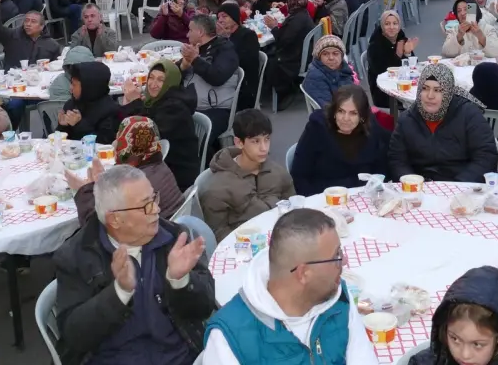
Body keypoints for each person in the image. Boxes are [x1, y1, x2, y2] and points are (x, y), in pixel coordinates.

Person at [52, 164, 214, 365]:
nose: (157, 211)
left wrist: (180, 281)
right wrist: (118, 293)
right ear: (115, 219)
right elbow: (74, 335)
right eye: (145, 206)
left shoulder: (172, 238)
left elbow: (204, 306)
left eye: (154, 199)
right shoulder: (77, 256)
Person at [200, 207, 392, 365]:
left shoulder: (336, 299)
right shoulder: (229, 336)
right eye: (336, 257)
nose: (344, 262)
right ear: (303, 274)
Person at [389, 64, 497, 183]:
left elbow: (486, 156)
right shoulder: (407, 119)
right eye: (425, 88)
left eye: (438, 90)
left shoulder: (469, 115)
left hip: (463, 189)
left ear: (448, 93)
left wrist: (458, 185)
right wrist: (412, 182)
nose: (430, 96)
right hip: (420, 189)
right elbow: (397, 160)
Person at [200, 109, 295, 242]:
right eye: (255, 141)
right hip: (245, 249)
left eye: (267, 139)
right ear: (239, 142)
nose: (264, 148)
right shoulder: (217, 187)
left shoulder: (278, 173)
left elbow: (293, 208)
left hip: (281, 240)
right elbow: (218, 233)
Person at [69, 116, 185, 223]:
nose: (116, 142)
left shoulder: (137, 183)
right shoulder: (157, 164)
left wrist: (85, 192)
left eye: (120, 138)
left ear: (126, 145)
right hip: (172, 226)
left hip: (150, 239)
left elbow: (98, 227)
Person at [116, 60, 202, 190]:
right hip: (156, 165)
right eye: (151, 77)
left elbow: (147, 135)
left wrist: (135, 103)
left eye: (161, 80)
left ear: (170, 82)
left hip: (175, 173)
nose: (153, 84)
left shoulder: (175, 108)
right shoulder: (157, 100)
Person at [291, 85, 390, 196]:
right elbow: (299, 175)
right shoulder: (317, 128)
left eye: (353, 113)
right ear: (334, 111)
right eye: (341, 111)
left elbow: (381, 171)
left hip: (362, 196)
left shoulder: (372, 129)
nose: (345, 118)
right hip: (323, 196)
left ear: (362, 116)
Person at [180, 14, 240, 142]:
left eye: (190, 30)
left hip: (216, 109)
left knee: (189, 137)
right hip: (191, 105)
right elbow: (174, 75)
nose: (187, 35)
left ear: (200, 32)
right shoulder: (197, 49)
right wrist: (183, 66)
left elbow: (217, 77)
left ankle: (203, 160)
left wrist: (195, 60)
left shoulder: (225, 50)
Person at [264, 0, 316, 110]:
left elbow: (283, 40)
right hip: (301, 54)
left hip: (293, 60)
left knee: (267, 57)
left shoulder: (297, 18)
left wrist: (274, 27)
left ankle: (283, 93)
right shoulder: (302, 14)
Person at [58, 61, 120, 143]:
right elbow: (63, 141)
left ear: (88, 87)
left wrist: (79, 125)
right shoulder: (72, 104)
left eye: (74, 84)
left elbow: (105, 143)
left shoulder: (111, 110)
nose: (70, 88)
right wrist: (63, 127)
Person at [366, 10, 417, 108]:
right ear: (382, 26)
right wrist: (398, 55)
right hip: (384, 92)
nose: (391, 27)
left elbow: (414, 67)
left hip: (403, 86)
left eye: (395, 23)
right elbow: (383, 72)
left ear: (399, 26)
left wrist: (408, 53)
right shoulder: (375, 46)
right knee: (417, 104)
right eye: (387, 24)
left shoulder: (402, 39)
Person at [216, 2, 260, 111]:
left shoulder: (248, 35)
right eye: (218, 17)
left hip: (243, 86)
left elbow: (244, 62)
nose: (220, 20)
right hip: (226, 81)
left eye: (224, 16)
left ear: (235, 18)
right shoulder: (222, 37)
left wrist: (226, 40)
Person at [301, 34, 357, 109]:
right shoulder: (315, 76)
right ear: (319, 57)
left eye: (335, 53)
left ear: (341, 56)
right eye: (325, 54)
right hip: (335, 116)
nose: (331, 58)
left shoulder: (343, 70)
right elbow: (326, 107)